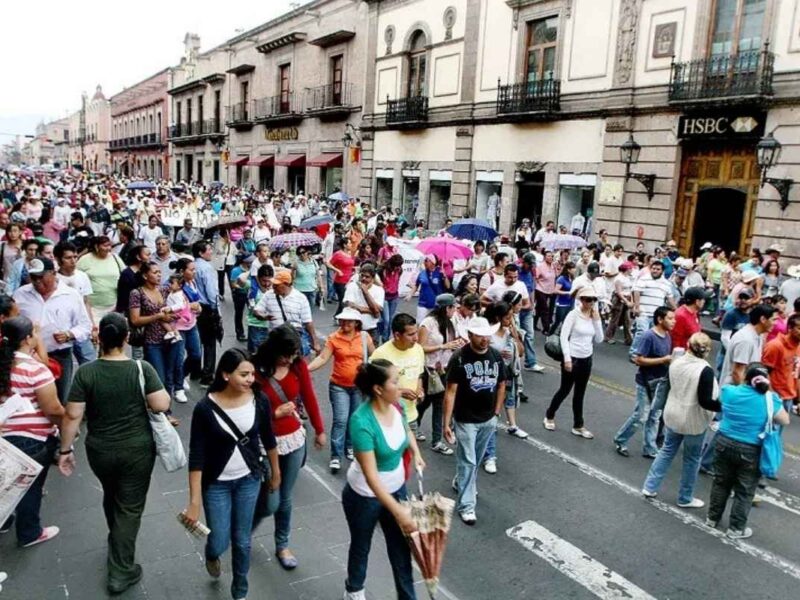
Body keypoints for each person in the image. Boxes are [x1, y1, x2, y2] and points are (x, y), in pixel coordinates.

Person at [56, 313, 170, 593]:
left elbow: (72, 416)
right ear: (126, 338)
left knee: (112, 493)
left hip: (100, 451)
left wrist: (65, 450)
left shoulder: (87, 372)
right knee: (130, 507)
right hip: (137, 450)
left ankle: (116, 538)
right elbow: (161, 403)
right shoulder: (141, 368)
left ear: (100, 339)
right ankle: (121, 571)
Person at [184, 349, 280, 600]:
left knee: (242, 540)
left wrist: (275, 471)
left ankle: (240, 590)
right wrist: (194, 502)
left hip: (249, 478)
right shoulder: (205, 408)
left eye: (252, 374)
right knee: (219, 540)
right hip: (216, 484)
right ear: (226, 375)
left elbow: (269, 439)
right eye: (244, 374)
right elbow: (196, 456)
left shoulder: (259, 400)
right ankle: (212, 553)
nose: (251, 379)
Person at [342, 359, 424, 600]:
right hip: (364, 496)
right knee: (361, 546)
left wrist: (416, 453)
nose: (400, 387)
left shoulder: (395, 405)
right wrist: (399, 512)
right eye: (395, 382)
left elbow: (407, 430)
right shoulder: (361, 422)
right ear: (378, 388)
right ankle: (354, 590)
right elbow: (371, 477)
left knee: (401, 551)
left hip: (397, 489)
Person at [252, 326, 326, 570]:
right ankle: (244, 530)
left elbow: (309, 396)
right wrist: (273, 413)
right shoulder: (256, 370)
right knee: (270, 501)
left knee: (285, 498)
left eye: (294, 354)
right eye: (287, 354)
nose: (290, 359)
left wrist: (320, 429)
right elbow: (246, 409)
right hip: (266, 442)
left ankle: (282, 544)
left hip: (293, 438)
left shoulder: (298, 366)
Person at [706, 364, 790, 539]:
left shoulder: (729, 391)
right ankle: (736, 528)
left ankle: (712, 518)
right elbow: (784, 420)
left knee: (721, 482)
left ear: (746, 378)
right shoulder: (770, 399)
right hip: (751, 449)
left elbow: (722, 402)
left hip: (723, 442)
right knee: (744, 491)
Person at [0, 316, 63, 547]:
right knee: (30, 487)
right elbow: (52, 409)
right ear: (28, 338)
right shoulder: (35, 369)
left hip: (4, 434)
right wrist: (66, 425)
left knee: (5, 483)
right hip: (32, 439)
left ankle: (4, 522)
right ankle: (30, 532)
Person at [641, 333, 720, 507]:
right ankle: (685, 497)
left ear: (688, 345)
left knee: (667, 450)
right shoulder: (705, 371)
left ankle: (649, 486)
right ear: (707, 351)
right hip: (693, 420)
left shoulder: (676, 362)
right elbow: (705, 401)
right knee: (692, 459)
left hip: (673, 414)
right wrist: (723, 408)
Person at [443, 317, 507, 524]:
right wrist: (446, 423)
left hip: (488, 418)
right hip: (465, 419)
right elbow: (450, 391)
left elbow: (501, 385)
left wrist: (497, 412)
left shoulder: (496, 357)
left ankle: (461, 481)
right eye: (480, 335)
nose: (485, 339)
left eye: (487, 335)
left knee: (475, 460)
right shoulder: (459, 358)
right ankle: (467, 505)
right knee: (469, 461)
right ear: (470, 336)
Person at [13, 258, 92, 403]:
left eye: (41, 277)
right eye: (33, 277)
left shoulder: (71, 295)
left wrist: (69, 334)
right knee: (29, 399)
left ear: (53, 273)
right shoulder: (20, 295)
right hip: (29, 357)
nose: (37, 282)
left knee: (60, 398)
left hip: (60, 356)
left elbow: (85, 326)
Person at [309, 307, 374, 472]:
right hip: (339, 386)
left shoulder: (365, 337)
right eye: (343, 320)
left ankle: (349, 447)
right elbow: (323, 357)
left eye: (349, 321)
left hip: (359, 387)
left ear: (356, 323)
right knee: (340, 420)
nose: (345, 323)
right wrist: (306, 370)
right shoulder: (334, 338)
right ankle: (336, 455)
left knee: (354, 419)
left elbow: (375, 357)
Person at [614, 306, 675, 458]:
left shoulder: (667, 335)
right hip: (646, 382)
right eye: (670, 318)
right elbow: (638, 359)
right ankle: (620, 439)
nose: (673, 321)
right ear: (660, 319)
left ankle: (650, 448)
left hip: (660, 382)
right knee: (641, 416)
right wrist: (663, 360)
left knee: (654, 416)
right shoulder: (649, 336)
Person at [543, 287, 604, 438]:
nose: (591, 303)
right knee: (565, 389)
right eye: (588, 299)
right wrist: (567, 359)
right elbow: (564, 337)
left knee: (580, 393)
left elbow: (599, 339)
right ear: (582, 300)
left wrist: (597, 321)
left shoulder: (594, 316)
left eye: (593, 300)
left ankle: (578, 425)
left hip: (586, 358)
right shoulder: (573, 314)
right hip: (573, 357)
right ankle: (549, 415)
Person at [128, 262, 181, 419]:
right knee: (159, 377)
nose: (159, 275)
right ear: (145, 275)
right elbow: (135, 320)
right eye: (155, 272)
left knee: (169, 376)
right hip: (152, 341)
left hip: (171, 339)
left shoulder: (164, 290)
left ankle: (166, 410)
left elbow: (179, 301)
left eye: (159, 272)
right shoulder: (137, 293)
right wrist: (158, 316)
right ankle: (157, 411)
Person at [417, 294, 463, 456]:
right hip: (429, 370)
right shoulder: (427, 324)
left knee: (438, 404)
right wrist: (443, 346)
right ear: (446, 308)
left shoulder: (450, 323)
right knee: (425, 402)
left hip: (444, 369)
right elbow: (420, 347)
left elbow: (452, 342)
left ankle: (436, 440)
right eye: (453, 307)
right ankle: (415, 425)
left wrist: (456, 344)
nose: (455, 310)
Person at [370, 313, 425, 441]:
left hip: (411, 416)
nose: (416, 338)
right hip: (387, 417)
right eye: (411, 335)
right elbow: (372, 387)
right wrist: (399, 392)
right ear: (397, 335)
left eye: (416, 333)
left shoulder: (418, 349)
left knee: (409, 458)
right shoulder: (381, 354)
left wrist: (419, 389)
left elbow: (419, 374)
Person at [253, 270, 320, 357]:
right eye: (274, 285)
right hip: (275, 337)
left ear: (287, 284)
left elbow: (308, 322)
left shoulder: (300, 298)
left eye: (277, 285)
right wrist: (263, 316)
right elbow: (256, 310)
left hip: (294, 338)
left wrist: (315, 342)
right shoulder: (268, 295)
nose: (274, 287)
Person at [55, 241, 98, 365]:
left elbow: (86, 302)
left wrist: (92, 326)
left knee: (89, 363)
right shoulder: (55, 279)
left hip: (81, 327)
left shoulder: (82, 276)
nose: (73, 261)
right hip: (63, 329)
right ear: (58, 259)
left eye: (75, 257)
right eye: (68, 258)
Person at [631, 259, 676, 357]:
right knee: (641, 332)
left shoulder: (666, 284)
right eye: (653, 268)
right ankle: (634, 353)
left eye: (658, 269)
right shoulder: (643, 279)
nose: (655, 271)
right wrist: (636, 307)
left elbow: (670, 298)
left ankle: (647, 354)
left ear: (662, 271)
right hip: (643, 312)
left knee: (653, 335)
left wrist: (676, 309)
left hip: (657, 315)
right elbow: (637, 292)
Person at [77, 235, 125, 323]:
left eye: (109, 245)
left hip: (114, 306)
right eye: (105, 246)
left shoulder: (115, 258)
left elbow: (125, 276)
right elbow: (76, 278)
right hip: (92, 308)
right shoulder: (85, 260)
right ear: (96, 246)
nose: (108, 248)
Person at [193, 240, 221, 385]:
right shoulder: (207, 268)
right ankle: (208, 374)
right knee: (209, 343)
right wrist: (216, 310)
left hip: (194, 307)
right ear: (201, 252)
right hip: (206, 308)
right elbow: (211, 293)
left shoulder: (192, 266)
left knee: (197, 341)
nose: (211, 252)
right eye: (209, 249)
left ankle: (195, 371)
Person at [761, 312, 800, 415]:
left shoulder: (799, 347)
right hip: (774, 396)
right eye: (799, 328)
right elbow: (764, 373)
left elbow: (797, 374)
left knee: (777, 430)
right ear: (790, 328)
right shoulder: (775, 346)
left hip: (789, 396)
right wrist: (772, 396)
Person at [343, 262, 385, 346]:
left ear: (373, 279)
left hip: (371, 330)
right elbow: (349, 305)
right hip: (355, 330)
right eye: (362, 276)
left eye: (367, 277)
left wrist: (365, 292)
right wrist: (372, 311)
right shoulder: (352, 286)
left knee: (371, 357)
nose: (364, 279)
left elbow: (378, 310)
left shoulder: (379, 290)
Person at [406, 254, 448, 324]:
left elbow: (448, 286)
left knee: (434, 324)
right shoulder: (422, 273)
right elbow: (416, 285)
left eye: (426, 261)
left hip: (436, 304)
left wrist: (445, 276)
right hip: (423, 303)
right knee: (420, 323)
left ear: (433, 262)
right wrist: (410, 294)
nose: (424, 262)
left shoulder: (440, 272)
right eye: (424, 261)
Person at [327, 238, 356, 316]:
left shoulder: (350, 254)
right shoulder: (338, 254)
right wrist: (337, 270)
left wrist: (354, 268)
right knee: (343, 301)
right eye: (349, 243)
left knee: (347, 300)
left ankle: (338, 316)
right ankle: (338, 316)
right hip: (340, 281)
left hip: (349, 281)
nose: (351, 245)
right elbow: (328, 263)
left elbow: (349, 265)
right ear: (344, 245)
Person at [378, 253, 403, 343]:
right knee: (386, 320)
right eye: (397, 266)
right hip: (384, 297)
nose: (398, 268)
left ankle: (386, 338)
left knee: (391, 320)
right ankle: (382, 336)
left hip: (394, 296)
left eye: (400, 266)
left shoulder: (400, 270)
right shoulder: (382, 270)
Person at [550, 261, 576, 335]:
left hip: (570, 303)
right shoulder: (561, 279)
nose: (575, 270)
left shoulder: (573, 278)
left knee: (566, 321)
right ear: (568, 270)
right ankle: (550, 334)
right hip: (562, 304)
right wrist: (567, 292)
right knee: (558, 321)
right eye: (573, 268)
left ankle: (561, 335)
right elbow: (555, 291)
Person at [534, 250, 557, 332]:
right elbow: (535, 278)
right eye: (548, 256)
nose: (550, 257)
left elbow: (556, 276)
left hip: (550, 290)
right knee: (545, 309)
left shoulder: (553, 266)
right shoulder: (540, 266)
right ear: (544, 257)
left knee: (539, 309)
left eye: (551, 256)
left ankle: (534, 324)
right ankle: (546, 328)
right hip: (540, 289)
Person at [292, 245, 319, 310]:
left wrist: (321, 287)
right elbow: (292, 277)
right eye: (299, 253)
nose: (302, 254)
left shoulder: (314, 262)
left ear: (307, 252)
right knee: (299, 310)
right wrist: (294, 269)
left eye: (303, 252)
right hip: (299, 290)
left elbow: (318, 275)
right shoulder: (296, 263)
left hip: (311, 289)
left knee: (310, 310)